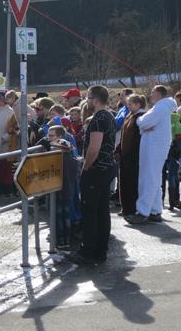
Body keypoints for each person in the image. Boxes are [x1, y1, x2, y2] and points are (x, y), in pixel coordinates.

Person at [66, 85, 115, 265]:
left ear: (95, 99)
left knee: (90, 211)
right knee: (102, 211)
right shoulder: (109, 115)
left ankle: (87, 251)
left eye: (88, 97)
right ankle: (100, 251)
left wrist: (85, 167)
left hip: (96, 170)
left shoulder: (98, 118)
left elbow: (94, 148)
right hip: (106, 168)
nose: (86, 100)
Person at [127, 86, 177, 224]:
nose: (150, 94)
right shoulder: (162, 107)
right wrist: (143, 125)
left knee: (148, 178)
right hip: (156, 146)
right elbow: (145, 123)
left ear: (158, 94)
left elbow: (143, 121)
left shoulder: (160, 107)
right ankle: (155, 210)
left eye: (152, 92)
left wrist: (141, 123)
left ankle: (143, 211)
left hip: (154, 146)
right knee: (154, 178)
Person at [116, 94, 146, 217]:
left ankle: (131, 209)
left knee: (132, 183)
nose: (128, 106)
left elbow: (137, 139)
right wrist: (118, 149)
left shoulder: (140, 117)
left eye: (130, 104)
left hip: (133, 156)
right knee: (124, 182)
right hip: (125, 155)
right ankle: (126, 208)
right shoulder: (130, 116)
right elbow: (124, 134)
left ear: (138, 104)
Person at [166, 105, 181, 210]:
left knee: (172, 174)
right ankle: (175, 200)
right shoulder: (176, 121)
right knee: (173, 175)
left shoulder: (169, 120)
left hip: (170, 151)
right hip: (177, 152)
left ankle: (172, 201)